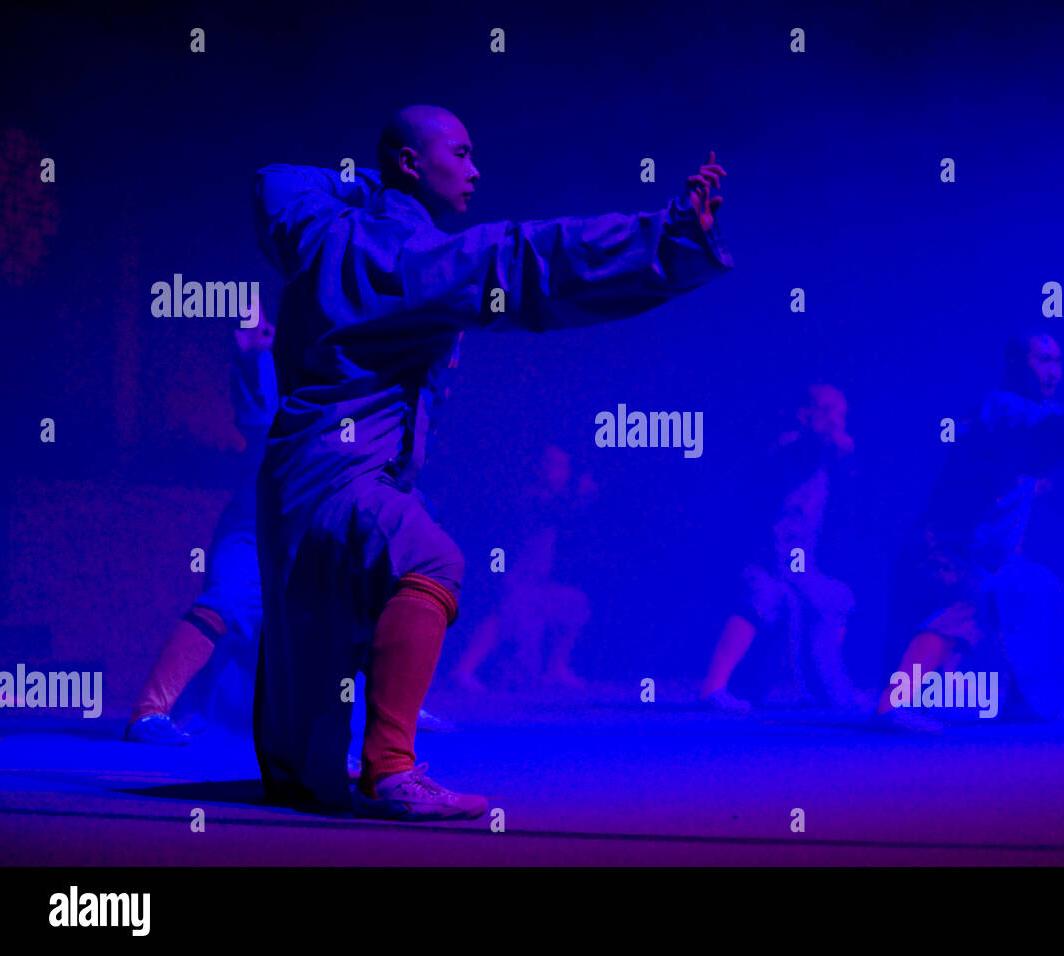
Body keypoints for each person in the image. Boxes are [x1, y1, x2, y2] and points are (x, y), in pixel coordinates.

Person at [252, 105, 732, 820]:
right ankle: (391, 772)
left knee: (313, 665)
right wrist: (669, 239)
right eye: (462, 153)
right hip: (344, 473)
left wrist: (373, 186)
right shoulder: (421, 259)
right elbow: (539, 258)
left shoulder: (317, 229)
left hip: (291, 477)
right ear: (413, 163)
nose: (476, 170)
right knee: (430, 561)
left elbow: (275, 181)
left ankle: (324, 770)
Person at [876, 333, 1064, 731]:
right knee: (965, 597)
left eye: (1058, 361)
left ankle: (1027, 701)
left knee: (1040, 590)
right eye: (1043, 360)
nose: (1054, 370)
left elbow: (1063, 440)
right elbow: (1038, 434)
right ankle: (892, 705)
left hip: (988, 557)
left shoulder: (1037, 413)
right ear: (1016, 364)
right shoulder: (998, 410)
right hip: (944, 549)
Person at [125, 311, 276, 744]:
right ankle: (150, 713)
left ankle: (392, 711)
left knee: (347, 605)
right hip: (255, 520)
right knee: (226, 600)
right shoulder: (273, 367)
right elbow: (258, 408)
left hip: (312, 522)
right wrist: (251, 357)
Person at [700, 384, 861, 712]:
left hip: (798, 561)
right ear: (806, 415)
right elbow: (815, 450)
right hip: (769, 557)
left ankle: (825, 687)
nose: (836, 420)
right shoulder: (791, 449)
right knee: (760, 597)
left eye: (841, 413)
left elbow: (840, 455)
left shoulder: (818, 456)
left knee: (834, 598)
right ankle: (713, 687)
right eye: (828, 411)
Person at [449, 445, 597, 692]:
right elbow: (550, 516)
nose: (559, 473)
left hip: (539, 582)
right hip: (516, 577)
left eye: (563, 467)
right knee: (502, 619)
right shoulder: (529, 498)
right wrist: (581, 498)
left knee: (575, 606)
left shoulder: (554, 501)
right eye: (553, 465)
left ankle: (556, 669)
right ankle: (464, 669)